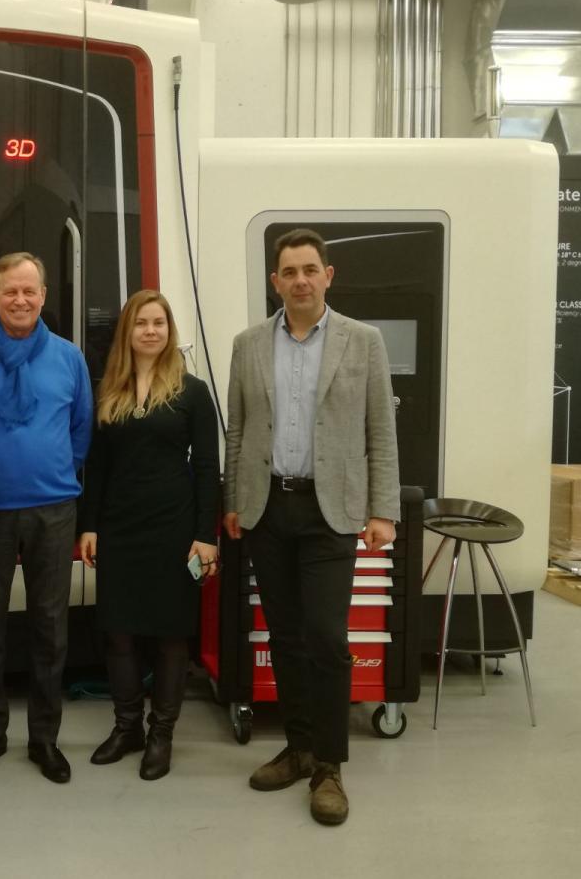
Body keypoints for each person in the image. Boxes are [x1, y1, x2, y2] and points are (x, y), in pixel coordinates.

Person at [223, 228, 400, 826]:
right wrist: (234, 499)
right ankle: (298, 748)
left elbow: (381, 431)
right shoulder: (248, 344)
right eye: (289, 271)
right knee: (285, 637)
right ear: (275, 281)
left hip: (332, 512)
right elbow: (238, 430)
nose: (300, 280)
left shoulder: (363, 341)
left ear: (328, 275)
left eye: (309, 269)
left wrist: (383, 510)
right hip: (268, 507)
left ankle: (329, 765)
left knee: (325, 637)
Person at [0, 252, 93, 784]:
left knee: (50, 629)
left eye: (30, 291)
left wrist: (54, 472)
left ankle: (44, 738)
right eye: (10, 290)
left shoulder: (68, 358)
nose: (20, 300)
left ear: (43, 296)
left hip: (53, 510)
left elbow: (81, 428)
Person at [79, 290, 219, 781]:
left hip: (173, 528)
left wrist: (206, 535)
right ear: (128, 331)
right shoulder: (108, 390)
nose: (151, 331)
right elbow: (97, 466)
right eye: (141, 323)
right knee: (117, 631)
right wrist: (89, 524)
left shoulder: (191, 391)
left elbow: (207, 468)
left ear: (169, 330)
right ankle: (127, 728)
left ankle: (162, 734)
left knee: (169, 634)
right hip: (119, 527)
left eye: (159, 322)